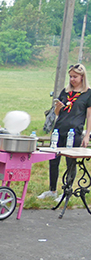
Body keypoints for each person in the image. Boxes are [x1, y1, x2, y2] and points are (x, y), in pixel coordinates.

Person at [37, 63, 91, 199]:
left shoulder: (88, 94)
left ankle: (67, 191)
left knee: (71, 163)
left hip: (75, 132)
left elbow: (89, 115)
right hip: (59, 130)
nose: (72, 79)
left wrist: (87, 135)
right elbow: (56, 113)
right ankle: (52, 190)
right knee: (53, 160)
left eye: (75, 77)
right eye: (70, 76)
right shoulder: (65, 92)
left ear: (82, 77)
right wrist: (58, 107)